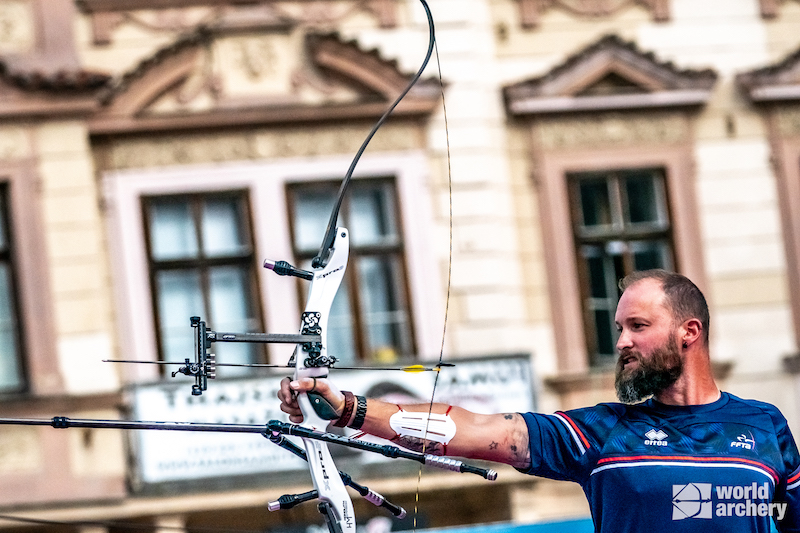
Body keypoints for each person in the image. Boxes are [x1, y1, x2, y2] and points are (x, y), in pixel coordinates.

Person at [279, 269, 800, 532]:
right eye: (618, 327)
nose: (621, 342)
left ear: (689, 332)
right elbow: (482, 431)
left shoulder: (765, 427)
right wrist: (349, 407)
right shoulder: (604, 433)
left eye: (638, 327)